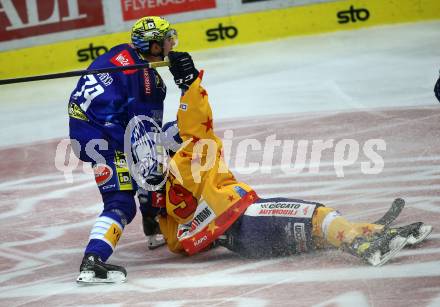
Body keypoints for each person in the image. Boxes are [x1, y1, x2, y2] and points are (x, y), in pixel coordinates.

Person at [155, 51, 432, 267]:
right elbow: (197, 123)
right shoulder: (191, 156)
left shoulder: (168, 185)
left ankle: (371, 233)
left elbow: (176, 242)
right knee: (319, 216)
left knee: (316, 232)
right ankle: (364, 244)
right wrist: (188, 83)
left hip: (240, 242)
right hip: (248, 218)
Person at [68, 16, 177, 283]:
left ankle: (152, 225)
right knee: (124, 200)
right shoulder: (144, 81)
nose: (171, 42)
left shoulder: (121, 53)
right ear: (152, 47)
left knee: (144, 166)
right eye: (165, 40)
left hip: (88, 131)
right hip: (103, 137)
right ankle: (93, 262)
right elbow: (144, 133)